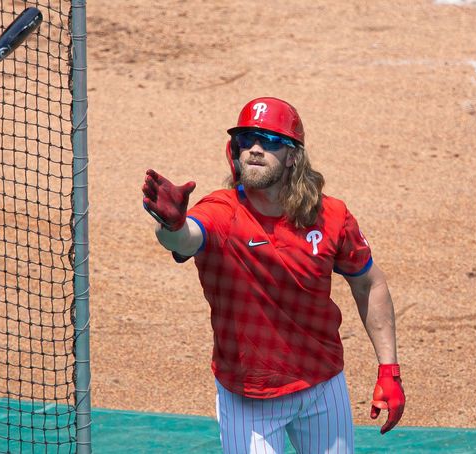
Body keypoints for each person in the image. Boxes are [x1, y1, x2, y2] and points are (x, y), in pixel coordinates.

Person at [141, 97, 405, 453]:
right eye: (247, 139)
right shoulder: (222, 212)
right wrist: (170, 223)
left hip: (321, 386)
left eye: (269, 141)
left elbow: (369, 283)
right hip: (248, 396)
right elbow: (185, 239)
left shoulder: (331, 216)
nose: (254, 148)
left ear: (293, 156)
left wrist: (389, 369)